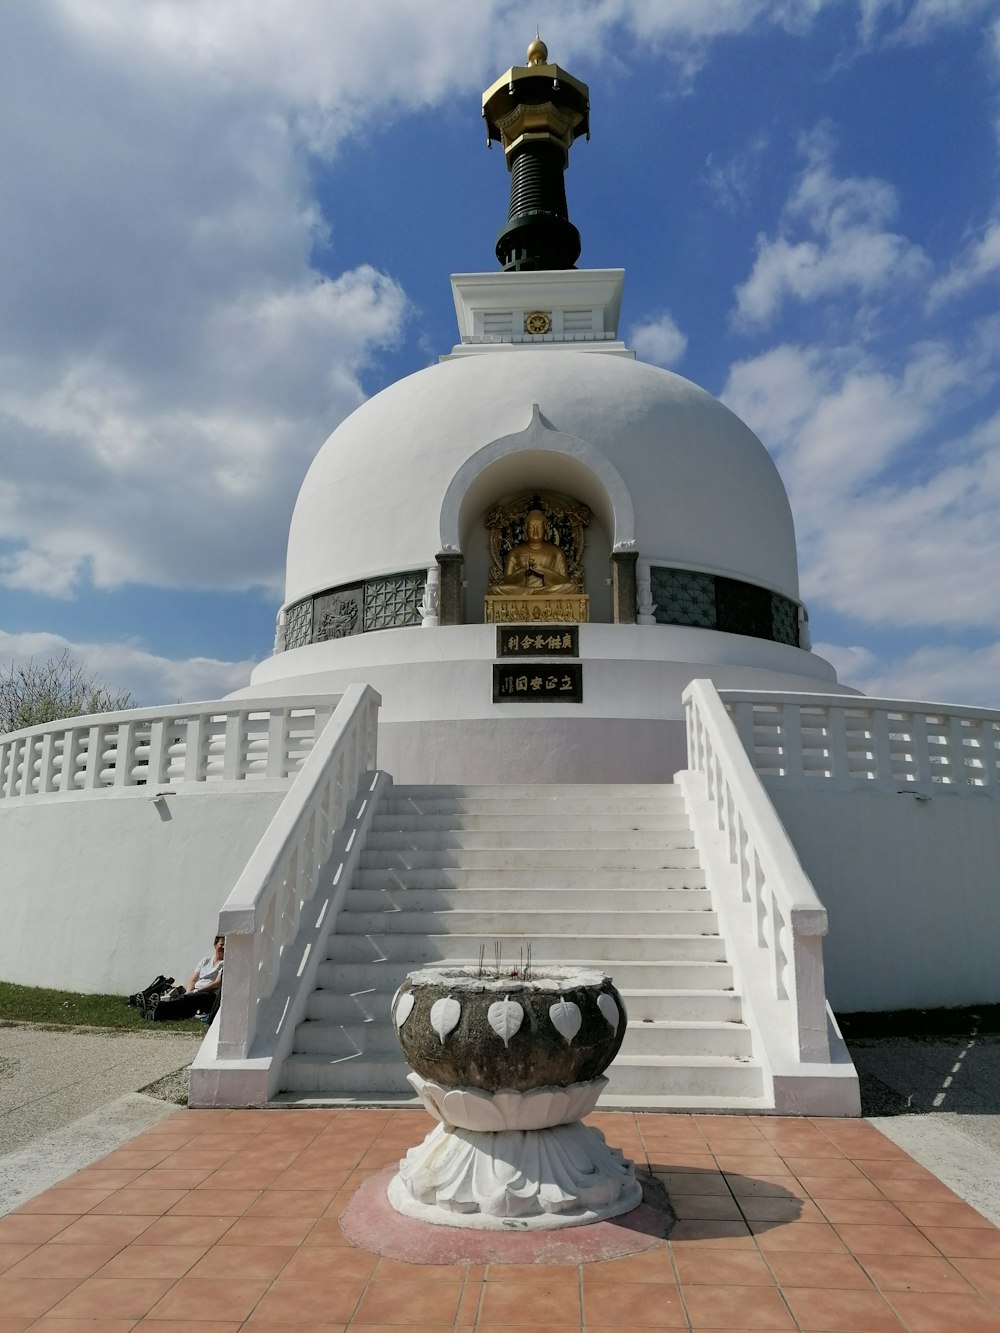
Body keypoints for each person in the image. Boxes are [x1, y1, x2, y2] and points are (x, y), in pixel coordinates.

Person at [494, 509, 576, 595]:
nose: (535, 532)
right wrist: (522, 571)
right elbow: (507, 581)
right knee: (496, 589)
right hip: (522, 590)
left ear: (546, 530)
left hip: (547, 590)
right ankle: (532, 592)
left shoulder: (556, 551)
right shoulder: (515, 552)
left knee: (572, 587)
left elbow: (565, 581)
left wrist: (544, 571)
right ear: (526, 530)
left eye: (539, 528)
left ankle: (536, 592)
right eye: (531, 528)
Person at [143, 936, 224, 1021]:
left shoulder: (224, 963)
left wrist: (197, 991)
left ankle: (156, 1009)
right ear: (215, 945)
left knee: (186, 1000)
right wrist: (189, 991)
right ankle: (154, 1012)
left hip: (210, 994)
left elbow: (217, 984)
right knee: (185, 1004)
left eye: (225, 945)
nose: (223, 948)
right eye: (221, 945)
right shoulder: (205, 961)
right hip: (196, 992)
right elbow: (193, 979)